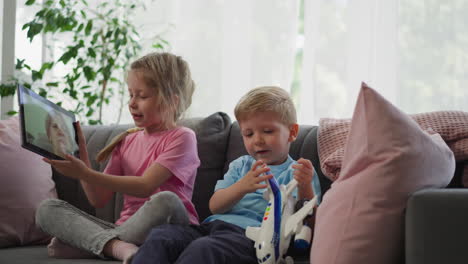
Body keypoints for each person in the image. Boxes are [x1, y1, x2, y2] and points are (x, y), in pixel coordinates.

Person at [35, 52, 200, 262]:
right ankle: (115, 246)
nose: (132, 103)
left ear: (172, 101)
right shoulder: (127, 142)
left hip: (171, 227)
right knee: (46, 209)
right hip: (126, 229)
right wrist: (84, 163)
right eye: (131, 95)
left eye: (142, 96)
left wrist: (85, 172)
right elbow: (98, 199)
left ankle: (94, 244)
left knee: (165, 201)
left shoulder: (183, 137)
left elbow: (145, 186)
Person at [130, 86, 322, 264]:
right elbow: (215, 206)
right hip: (211, 227)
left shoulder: (299, 172)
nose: (258, 140)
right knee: (162, 236)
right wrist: (242, 186)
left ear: (292, 132)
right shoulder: (241, 165)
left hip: (250, 237)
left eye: (267, 131)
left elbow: (310, 224)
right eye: (248, 134)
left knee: (204, 249)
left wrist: (305, 187)